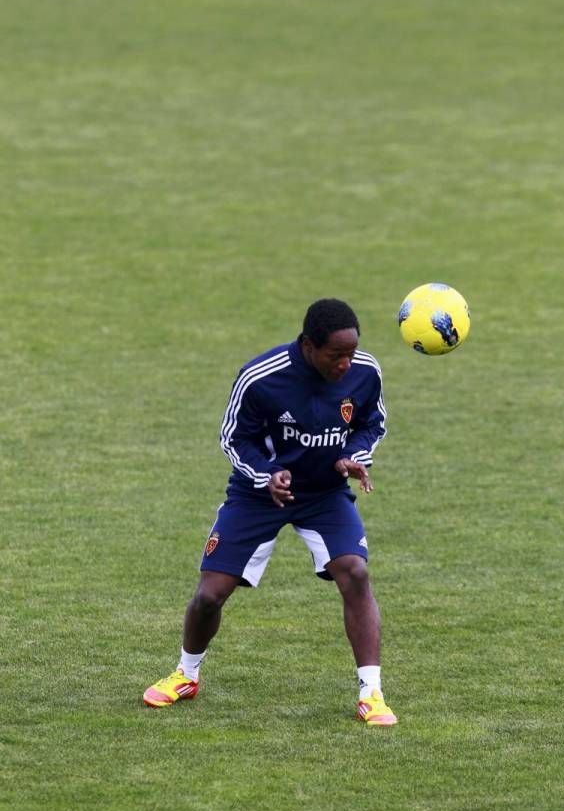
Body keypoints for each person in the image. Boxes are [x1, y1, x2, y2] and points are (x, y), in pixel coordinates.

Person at [143, 298, 397, 726]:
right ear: (308, 346)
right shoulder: (261, 378)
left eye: (351, 353)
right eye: (336, 355)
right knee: (210, 595)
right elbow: (233, 438)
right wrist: (266, 475)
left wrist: (352, 456)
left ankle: (371, 693)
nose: (345, 364)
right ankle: (186, 674)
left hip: (324, 493)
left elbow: (373, 423)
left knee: (355, 571)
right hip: (258, 494)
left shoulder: (365, 372)